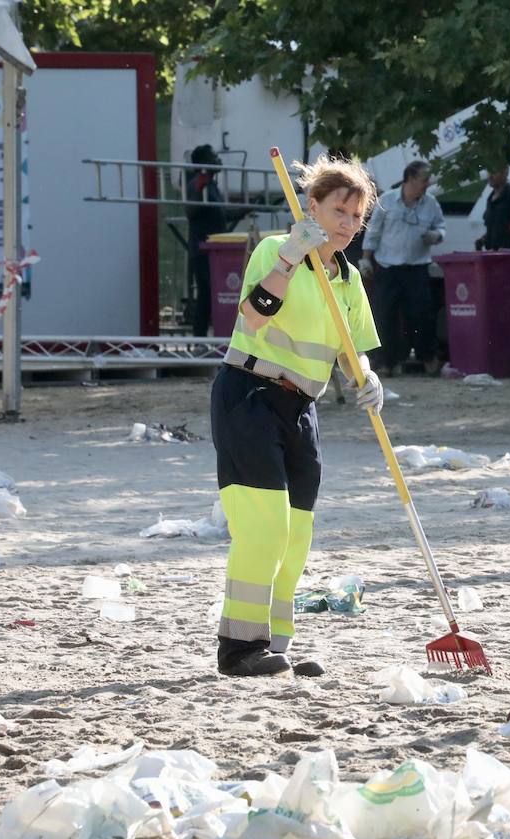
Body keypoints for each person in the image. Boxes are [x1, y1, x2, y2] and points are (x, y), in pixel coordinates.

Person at [212, 155, 383, 677]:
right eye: (339, 212)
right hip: (249, 396)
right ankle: (239, 648)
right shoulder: (275, 250)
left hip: (300, 409)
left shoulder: (348, 279)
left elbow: (355, 350)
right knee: (264, 529)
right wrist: (289, 258)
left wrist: (368, 377)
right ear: (313, 207)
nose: (348, 225)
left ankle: (275, 645)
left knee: (296, 536)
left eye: (357, 217)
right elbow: (255, 312)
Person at [360, 160, 446, 375]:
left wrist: (437, 236)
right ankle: (386, 362)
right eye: (423, 179)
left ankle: (429, 358)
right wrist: (366, 259)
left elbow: (440, 226)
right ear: (409, 179)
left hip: (417, 268)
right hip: (388, 267)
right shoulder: (387, 200)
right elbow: (373, 232)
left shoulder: (431, 204)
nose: (426, 184)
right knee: (384, 315)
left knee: (422, 315)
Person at [185, 144, 230, 336]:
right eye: (214, 157)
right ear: (203, 163)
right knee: (206, 294)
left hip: (215, 250)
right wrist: (200, 186)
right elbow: (190, 211)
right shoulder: (197, 183)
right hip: (203, 251)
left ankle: (206, 337)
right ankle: (200, 340)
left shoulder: (212, 185)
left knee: (212, 294)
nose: (218, 161)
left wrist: (251, 207)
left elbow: (222, 214)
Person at [478, 166, 510, 251]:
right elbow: (495, 228)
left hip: (509, 256)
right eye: (488, 172)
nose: (490, 176)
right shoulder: (490, 199)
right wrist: (484, 239)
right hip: (491, 255)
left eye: (493, 172)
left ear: (505, 172)